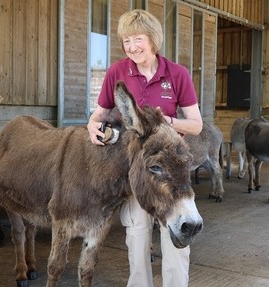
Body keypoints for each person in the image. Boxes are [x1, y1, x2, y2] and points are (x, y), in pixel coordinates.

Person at [87, 9, 203, 287]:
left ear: (153, 39)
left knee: (176, 235)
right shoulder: (117, 71)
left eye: (137, 39)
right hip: (137, 171)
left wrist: (166, 122)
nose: (131, 47)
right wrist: (92, 124)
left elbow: (196, 125)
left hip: (171, 171)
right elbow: (99, 114)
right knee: (136, 232)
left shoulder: (177, 74)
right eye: (126, 41)